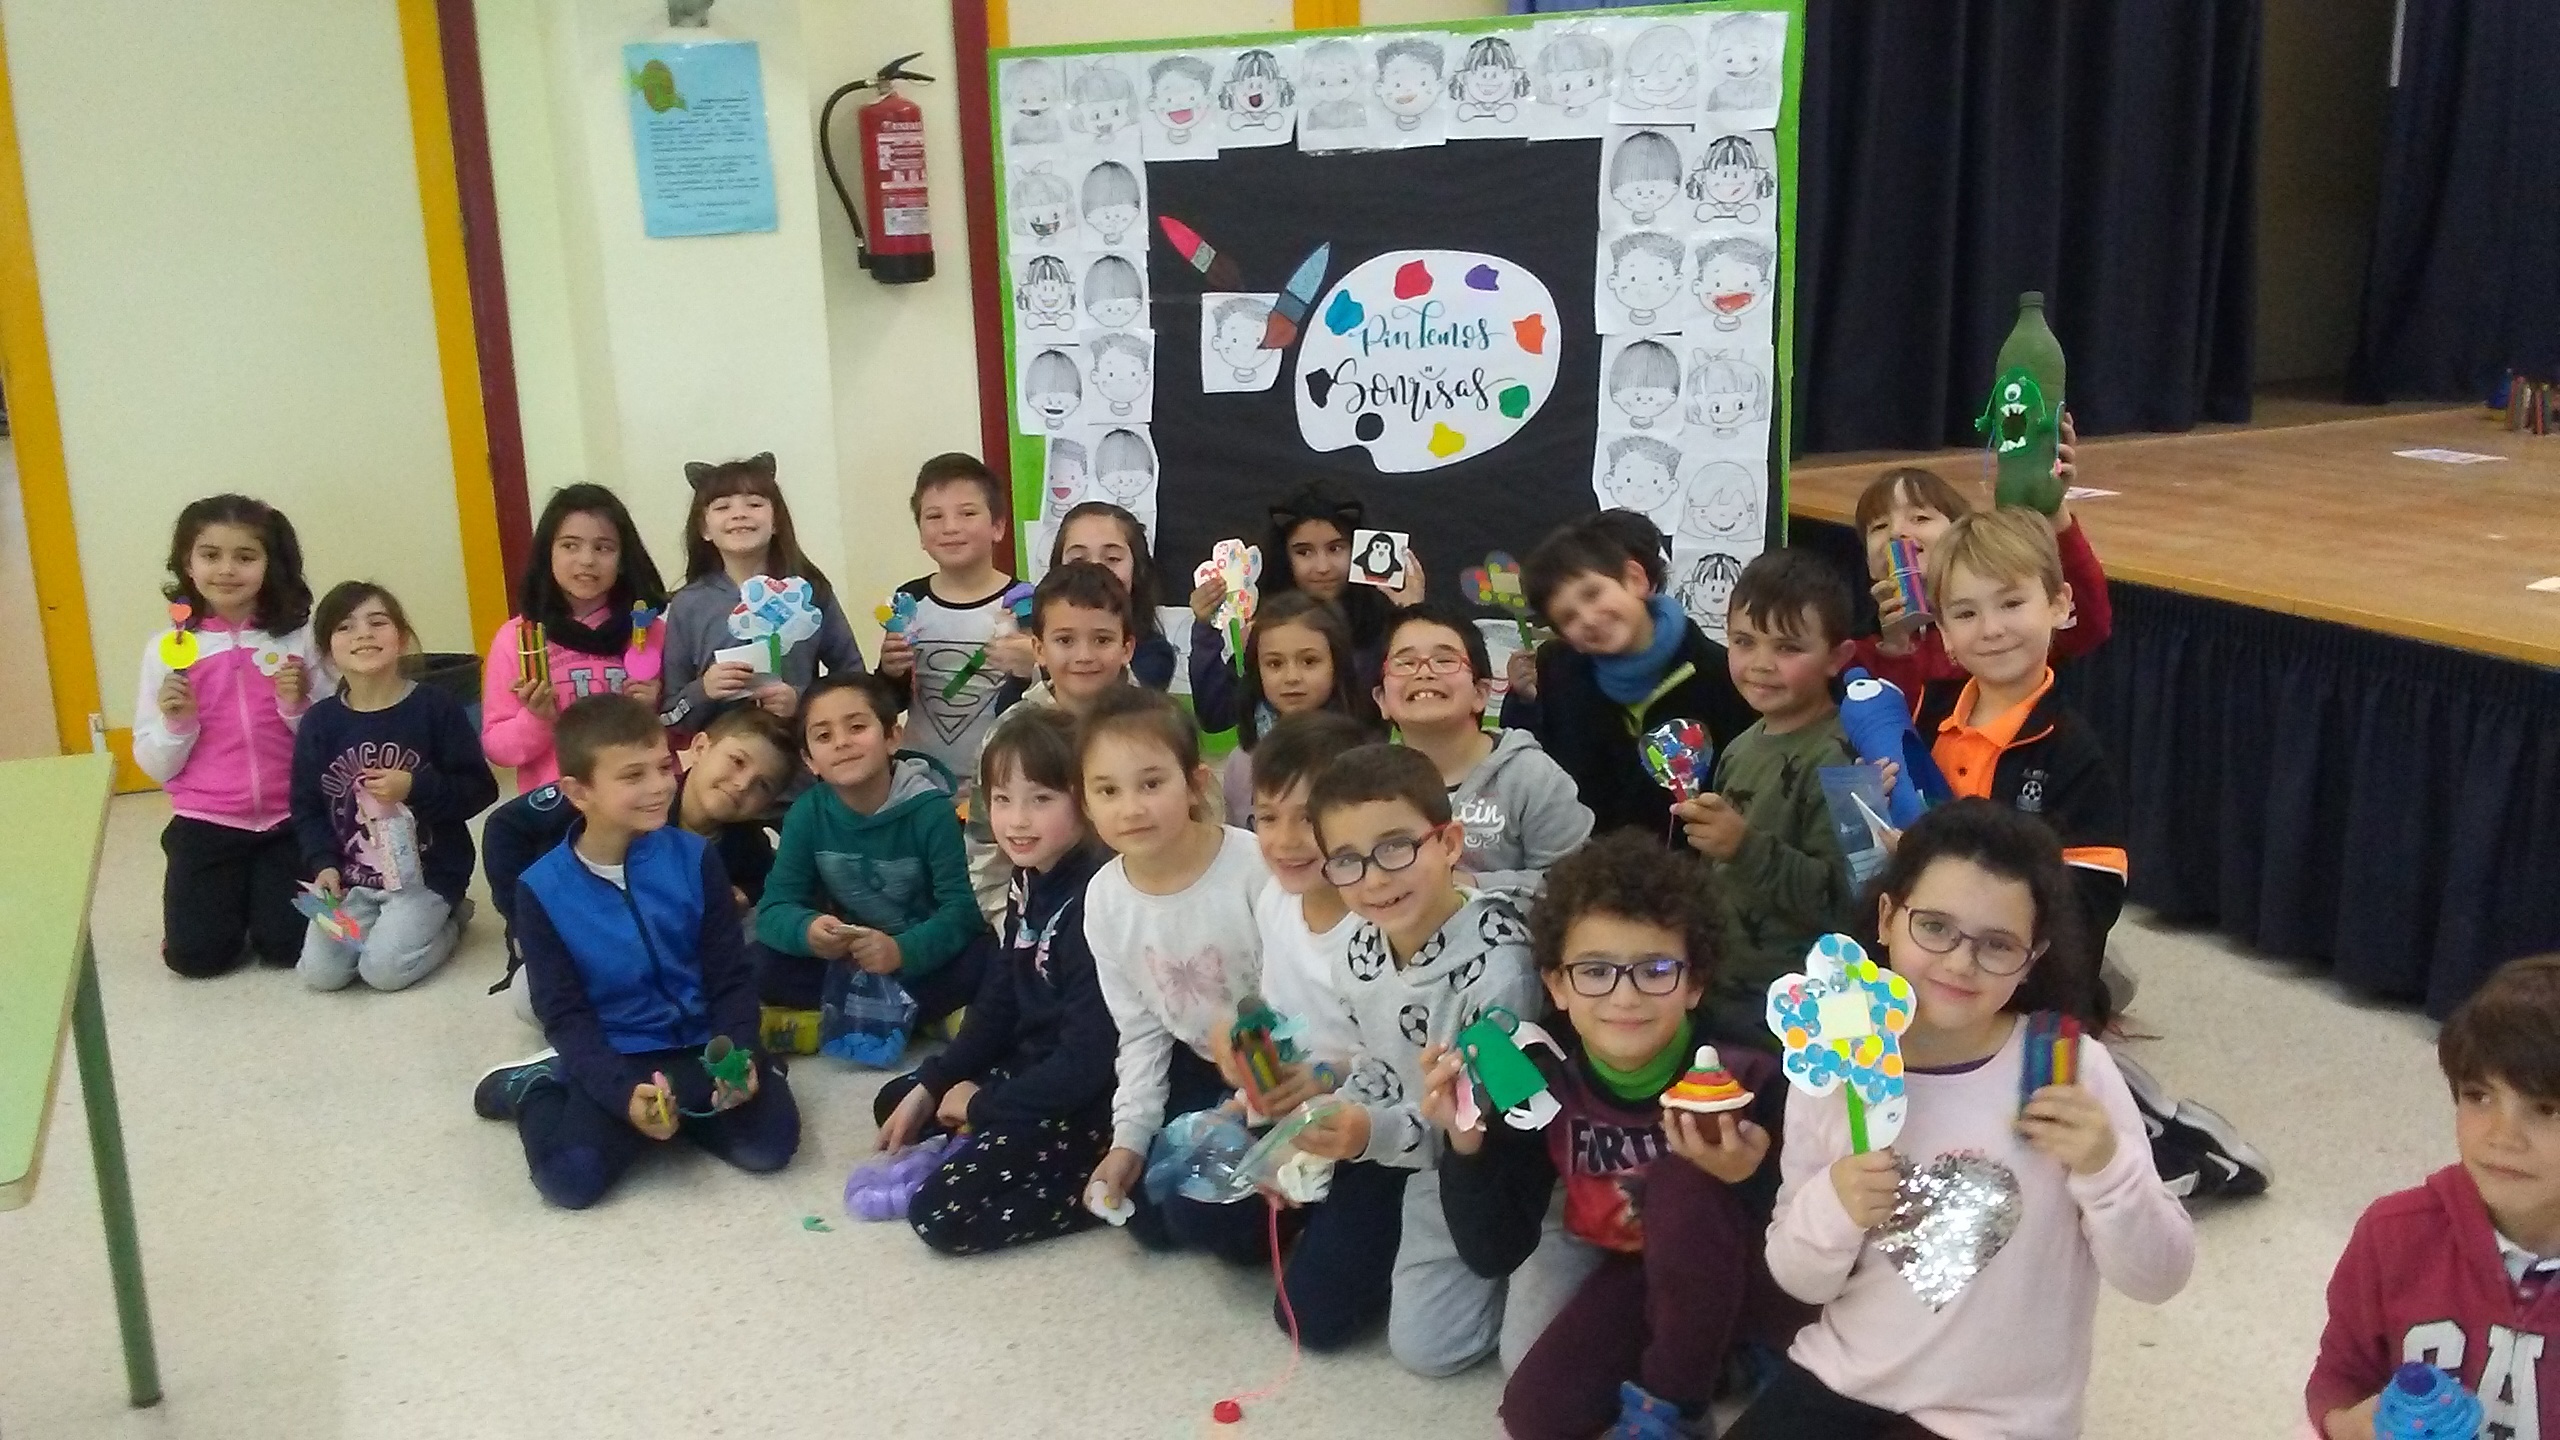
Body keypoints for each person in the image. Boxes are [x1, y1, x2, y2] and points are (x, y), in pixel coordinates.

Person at [1725, 800, 2194, 1439]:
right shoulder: (1835, 1060)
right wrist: (1835, 1204)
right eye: (1935, 927)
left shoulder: (2064, 1068)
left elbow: (2160, 1276)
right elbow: (1798, 1278)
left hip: (1999, 1421)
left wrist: (2106, 1169)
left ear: (2033, 957)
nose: (1958, 962)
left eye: (1997, 944)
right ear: (1887, 918)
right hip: (1845, 1380)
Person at [1914, 507, 2270, 1198]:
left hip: (2036, 972)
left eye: (2011, 603)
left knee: (2047, 1110)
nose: (1991, 628)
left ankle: (2173, 1137)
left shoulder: (2073, 750)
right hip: (1949, 960)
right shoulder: (1930, 718)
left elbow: (2095, 889)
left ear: (2060, 604)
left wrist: (2024, 949)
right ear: (1945, 635)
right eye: (1966, 613)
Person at [1428, 832, 1796, 1440]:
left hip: (1760, 1266)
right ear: (1557, 986)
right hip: (1642, 1272)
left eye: (1655, 970)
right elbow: (1493, 1252)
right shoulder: (1540, 1075)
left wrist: (1748, 1177)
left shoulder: (1754, 1066)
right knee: (1535, 1413)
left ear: (1695, 982)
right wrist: (1466, 1144)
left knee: (1684, 1178)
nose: (1625, 997)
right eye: (1595, 971)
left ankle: (1683, 1397)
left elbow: (1819, 1217)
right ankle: (1718, 1357)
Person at [469, 695, 798, 1209]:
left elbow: (730, 978)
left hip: (700, 1045)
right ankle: (538, 1086)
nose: (660, 786)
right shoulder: (541, 889)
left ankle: (694, 1103)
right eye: (632, 776)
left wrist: (741, 1054)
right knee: (570, 1181)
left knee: (768, 1148)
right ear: (578, 792)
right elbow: (565, 1014)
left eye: (664, 767)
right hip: (618, 1053)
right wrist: (622, 1095)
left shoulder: (696, 859)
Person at [1292, 743, 1544, 1378]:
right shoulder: (1358, 949)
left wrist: (1369, 1133)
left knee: (1446, 1349)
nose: (1375, 878)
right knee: (1418, 1346)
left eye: (1397, 847)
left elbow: (1483, 1124)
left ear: (1450, 843)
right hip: (1415, 1151)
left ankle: (1536, 1265)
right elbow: (1376, 1065)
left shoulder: (1501, 973)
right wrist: (1339, 1114)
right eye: (1347, 861)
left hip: (1488, 1164)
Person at [872, 708, 1122, 1256]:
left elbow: (1087, 1064)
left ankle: (1114, 1184)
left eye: (1041, 799)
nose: (1017, 821)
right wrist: (937, 1083)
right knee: (900, 1100)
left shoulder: (1099, 903)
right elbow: (1001, 996)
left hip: (1092, 1099)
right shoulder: (1030, 875)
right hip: (1036, 1064)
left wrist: (983, 1105)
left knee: (941, 1215)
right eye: (1003, 799)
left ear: (1084, 800)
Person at [2306, 953, 2560, 1439]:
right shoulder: (2394, 1235)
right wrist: (2347, 1425)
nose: (2502, 1137)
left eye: (2546, 1108)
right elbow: (2340, 1378)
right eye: (2479, 1096)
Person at [1076, 687, 1273, 1248]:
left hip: (1283, 1068)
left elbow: (1300, 1002)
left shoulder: (1253, 867)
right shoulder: (1104, 898)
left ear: (1194, 784)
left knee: (1214, 1221)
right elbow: (1140, 1031)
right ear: (1085, 802)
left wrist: (1246, 1103)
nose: (1131, 808)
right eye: (1107, 790)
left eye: (1151, 784)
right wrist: (1129, 1140)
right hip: (1201, 1062)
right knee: (1148, 1211)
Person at [482, 706, 794, 1025]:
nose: (742, 784)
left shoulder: (747, 841)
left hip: (672, 945)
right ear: (700, 747)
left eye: (762, 785)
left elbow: (765, 880)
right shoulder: (625, 796)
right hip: (592, 935)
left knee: (771, 932)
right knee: (528, 995)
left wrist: (744, 895)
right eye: (737, 761)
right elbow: (505, 826)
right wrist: (523, 920)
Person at [1672, 550, 1862, 1043]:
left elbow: (1850, 903)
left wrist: (1744, 846)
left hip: (1799, 1013)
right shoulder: (1740, 744)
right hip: (1719, 990)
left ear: (1837, 658)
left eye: (1788, 647)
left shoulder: (1845, 758)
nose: (1760, 664)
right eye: (1743, 641)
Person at [135, 494, 323, 976]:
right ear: (187, 564)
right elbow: (154, 763)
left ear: (270, 564)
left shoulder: (299, 639)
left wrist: (296, 707)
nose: (226, 570)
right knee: (196, 959)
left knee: (291, 948)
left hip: (290, 820)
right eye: (210, 555)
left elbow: (328, 740)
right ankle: (217, 910)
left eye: (245, 556)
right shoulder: (168, 650)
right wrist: (178, 725)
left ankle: (266, 906)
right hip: (205, 824)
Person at [756, 673, 991, 1043]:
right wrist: (808, 931)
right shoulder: (806, 814)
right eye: (824, 736)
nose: (842, 743)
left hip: (916, 961)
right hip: (849, 961)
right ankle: (917, 1019)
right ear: (809, 760)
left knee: (986, 956)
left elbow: (963, 912)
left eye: (857, 727)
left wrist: (901, 951)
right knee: (759, 962)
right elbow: (774, 908)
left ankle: (835, 1022)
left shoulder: (931, 812)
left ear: (892, 737)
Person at [289, 582, 496, 992]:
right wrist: (324, 864)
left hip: (426, 878)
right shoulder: (320, 722)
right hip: (353, 883)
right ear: (327, 651)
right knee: (321, 973)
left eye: (377, 622)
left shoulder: (435, 708)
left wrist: (416, 787)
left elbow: (479, 790)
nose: (363, 634)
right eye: (345, 627)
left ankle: (451, 920)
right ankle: (387, 930)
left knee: (382, 971)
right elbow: (306, 806)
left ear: (401, 638)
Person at [1512, 510, 1755, 840]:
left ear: (1635, 580)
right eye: (1568, 617)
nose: (1588, 619)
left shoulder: (1720, 674)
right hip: (1588, 859)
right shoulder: (1559, 670)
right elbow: (1542, 768)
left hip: (1690, 863)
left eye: (1592, 593)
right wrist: (1523, 703)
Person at [1848, 417, 2111, 699]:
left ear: (1962, 535)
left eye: (1920, 518)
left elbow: (2087, 626)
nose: (1896, 532)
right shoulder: (1857, 647)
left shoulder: (2007, 621)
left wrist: (2054, 509)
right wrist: (1895, 648)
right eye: (1879, 526)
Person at [1376, 603, 1590, 901]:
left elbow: (1577, 885)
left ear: (1480, 694)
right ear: (1382, 700)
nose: (1424, 672)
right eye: (1405, 662)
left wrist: (1470, 885)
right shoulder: (1368, 786)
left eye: (1444, 660)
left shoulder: (1532, 776)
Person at [966, 562, 1140, 924]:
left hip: (1136, 919)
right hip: (1038, 924)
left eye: (1102, 640)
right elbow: (985, 845)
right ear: (1039, 648)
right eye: (1065, 640)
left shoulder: (1152, 728)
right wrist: (1009, 924)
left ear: (1127, 647)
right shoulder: (1009, 733)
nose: (1084, 656)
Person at [658, 452, 864, 741]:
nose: (739, 514)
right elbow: (669, 715)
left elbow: (854, 678)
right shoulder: (688, 604)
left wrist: (801, 702)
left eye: (754, 504)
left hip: (798, 756)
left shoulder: (809, 592)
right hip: (723, 758)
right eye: (722, 507)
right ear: (704, 528)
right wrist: (703, 690)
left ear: (776, 520)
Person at [1187, 478, 1420, 732]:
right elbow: (1215, 715)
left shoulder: (1383, 625)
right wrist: (1207, 629)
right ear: (1284, 556)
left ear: (1359, 548)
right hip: (1275, 754)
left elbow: (1416, 709)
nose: (1322, 567)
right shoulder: (1267, 625)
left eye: (1335, 548)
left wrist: (1413, 618)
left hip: (1359, 755)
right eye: (1304, 552)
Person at [481, 483, 670, 792]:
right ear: (548, 553)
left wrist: (653, 710)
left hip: (638, 801)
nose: (587, 560)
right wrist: (537, 719)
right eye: (570, 545)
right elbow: (497, 749)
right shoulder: (518, 638)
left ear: (624, 559)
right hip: (555, 805)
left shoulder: (652, 632)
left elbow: (682, 735)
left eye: (603, 548)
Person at [876, 453, 1036, 802]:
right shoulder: (909, 600)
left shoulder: (1026, 604)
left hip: (1005, 780)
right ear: (921, 534)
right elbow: (890, 702)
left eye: (967, 513)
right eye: (934, 516)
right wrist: (890, 671)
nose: (950, 527)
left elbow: (1047, 699)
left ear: (998, 527)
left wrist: (1032, 669)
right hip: (919, 778)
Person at [1211, 591, 1381, 823]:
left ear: (1337, 664)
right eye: (1275, 663)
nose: (1292, 677)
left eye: (1309, 661)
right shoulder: (1241, 763)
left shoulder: (1367, 759)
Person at [1045, 501, 1175, 688]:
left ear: (1137, 569)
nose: (1095, 569)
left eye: (1112, 558)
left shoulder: (1153, 655)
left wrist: (1043, 665)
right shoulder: (1040, 636)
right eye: (1079, 559)